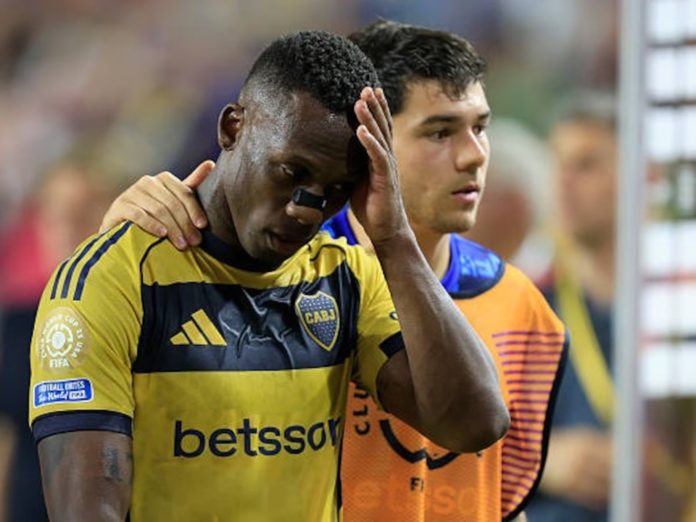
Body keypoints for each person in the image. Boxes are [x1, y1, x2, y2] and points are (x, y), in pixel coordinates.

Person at [29, 30, 508, 522]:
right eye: (291, 172)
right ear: (233, 127)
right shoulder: (114, 279)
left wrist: (394, 238)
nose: (307, 208)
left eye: (337, 188)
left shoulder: (346, 277)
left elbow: (475, 424)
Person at [525, 92, 617, 522]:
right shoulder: (525, 303)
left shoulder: (674, 307)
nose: (563, 182)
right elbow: (464, 445)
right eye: (557, 164)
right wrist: (543, 461)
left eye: (586, 165)